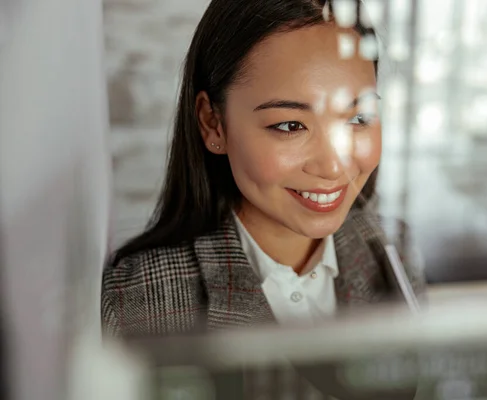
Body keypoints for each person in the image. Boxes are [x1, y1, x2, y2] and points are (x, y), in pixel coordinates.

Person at [102, 0, 426, 339]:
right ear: (213, 124)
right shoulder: (138, 302)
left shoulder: (392, 251)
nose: (333, 165)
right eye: (290, 125)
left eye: (358, 118)